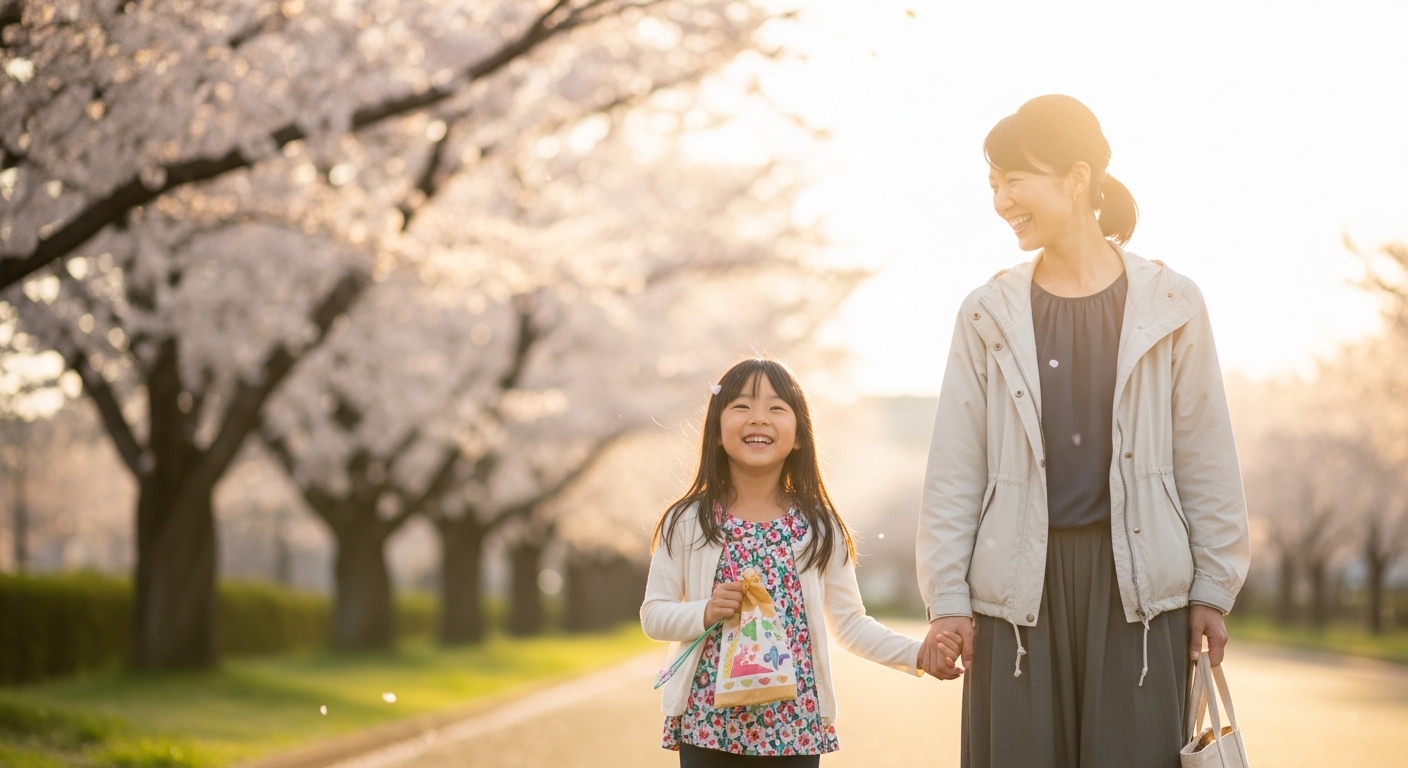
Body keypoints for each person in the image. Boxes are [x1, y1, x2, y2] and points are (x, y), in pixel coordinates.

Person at [915, 95, 1251, 767]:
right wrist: (947, 600)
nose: (1001, 200)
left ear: (1075, 177)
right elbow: (957, 465)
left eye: (1015, 180)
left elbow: (1205, 453)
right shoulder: (986, 312)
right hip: (1015, 593)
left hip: (1139, 593)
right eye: (993, 184)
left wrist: (1213, 588)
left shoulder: (1172, 302)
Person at [642, 358, 956, 767]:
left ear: (798, 437)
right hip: (707, 723)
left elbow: (850, 623)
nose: (759, 419)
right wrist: (704, 611)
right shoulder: (687, 522)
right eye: (741, 406)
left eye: (776, 408)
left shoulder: (818, 527)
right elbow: (654, 614)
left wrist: (916, 654)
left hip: (794, 725)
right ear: (716, 432)